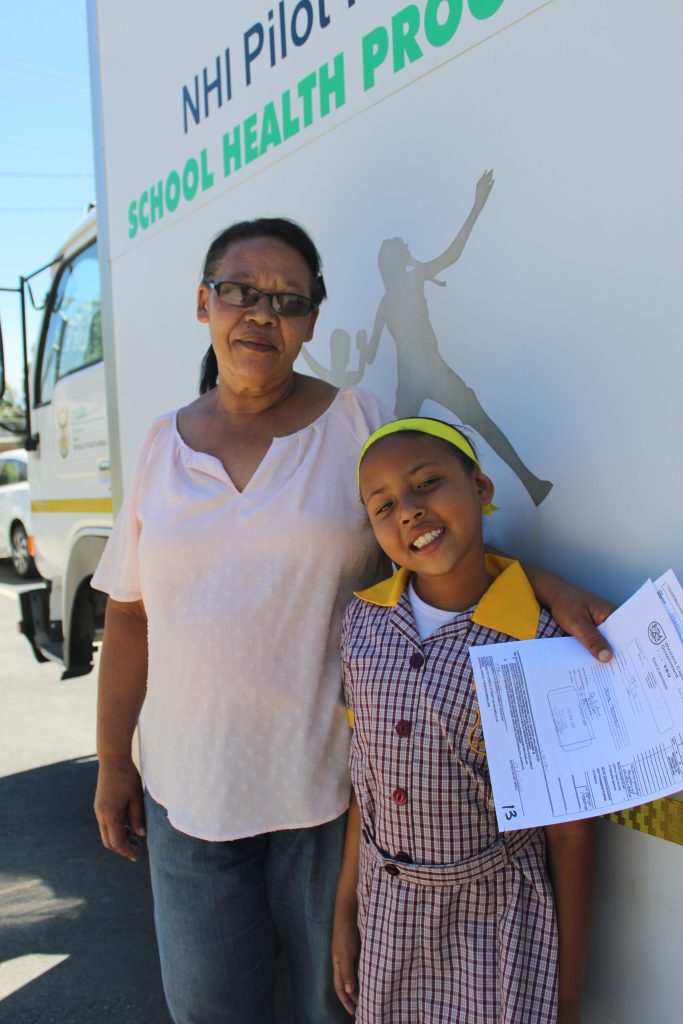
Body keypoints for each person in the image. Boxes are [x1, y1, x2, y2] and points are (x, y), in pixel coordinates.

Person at [92, 218, 608, 1024]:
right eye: (239, 292)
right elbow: (128, 616)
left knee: (330, 1009)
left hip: (329, 798)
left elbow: (438, 540)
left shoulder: (352, 424)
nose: (260, 313)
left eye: (285, 300)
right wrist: (112, 761)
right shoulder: (163, 445)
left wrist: (542, 583)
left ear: (309, 322)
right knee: (209, 1012)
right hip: (189, 798)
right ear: (204, 304)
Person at [332, 418, 596, 1024]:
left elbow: (571, 833)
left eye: (429, 483)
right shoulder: (365, 624)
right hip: (389, 918)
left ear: (479, 486)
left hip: (499, 926)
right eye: (384, 506)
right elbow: (364, 785)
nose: (410, 511)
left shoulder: (535, 638)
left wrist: (568, 995)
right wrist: (345, 912)